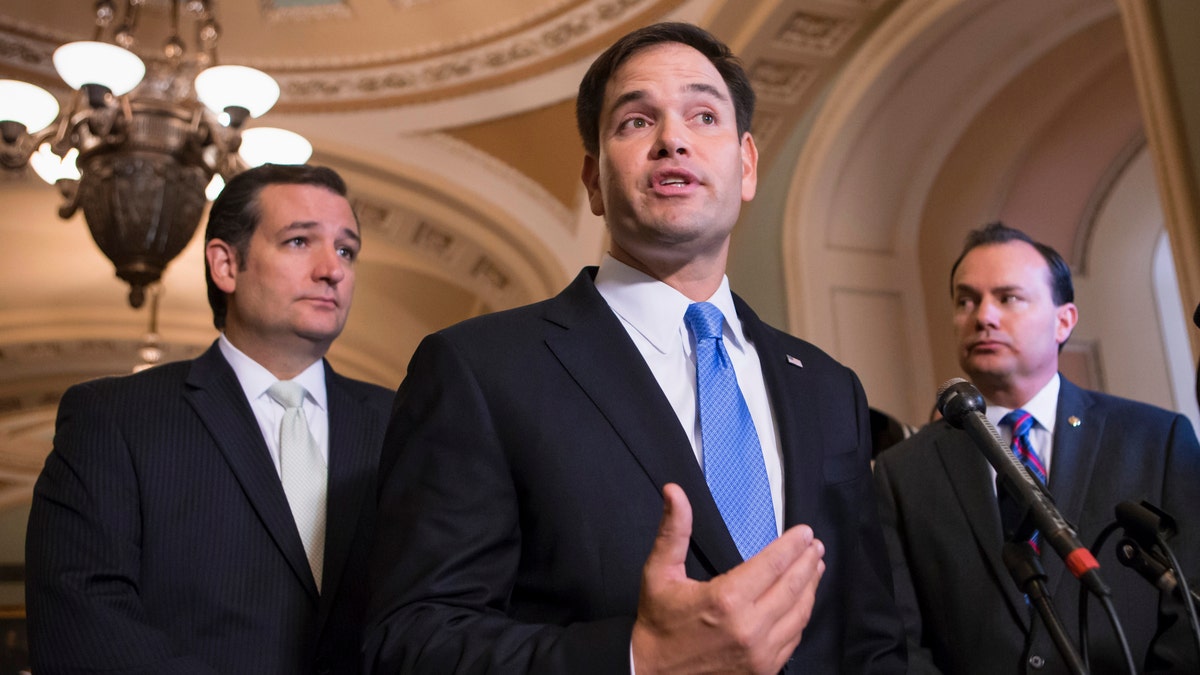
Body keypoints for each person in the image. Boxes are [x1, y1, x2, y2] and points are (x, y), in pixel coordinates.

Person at [364, 22, 906, 674]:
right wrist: (637, 658)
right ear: (594, 182)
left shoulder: (827, 384)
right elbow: (409, 641)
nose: (672, 139)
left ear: (747, 165)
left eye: (704, 115)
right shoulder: (479, 370)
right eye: (634, 121)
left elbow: (871, 635)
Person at [25, 163, 394, 674]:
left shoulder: (404, 424)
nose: (332, 268)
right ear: (225, 264)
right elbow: (82, 624)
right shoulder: (113, 419)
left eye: (346, 250)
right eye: (298, 242)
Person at [874, 222, 1200, 674]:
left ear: (1064, 320)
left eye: (1008, 298)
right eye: (965, 300)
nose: (983, 316)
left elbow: (1190, 612)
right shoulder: (901, 472)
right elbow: (900, 639)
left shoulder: (1156, 440)